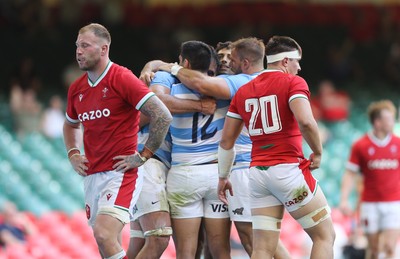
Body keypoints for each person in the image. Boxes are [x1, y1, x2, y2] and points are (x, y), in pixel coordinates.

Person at [154, 37, 290, 258]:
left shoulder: (173, 90)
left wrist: (162, 68)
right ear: (213, 65)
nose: (229, 63)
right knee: (220, 249)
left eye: (233, 58)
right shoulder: (227, 93)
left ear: (185, 64)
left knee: (187, 252)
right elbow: (206, 84)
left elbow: (157, 101)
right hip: (216, 173)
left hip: (184, 174)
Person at [217, 35, 336, 259]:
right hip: (288, 171)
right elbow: (307, 122)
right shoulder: (293, 83)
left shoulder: (243, 91)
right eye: (296, 61)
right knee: (324, 235)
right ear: (284, 61)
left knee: (262, 248)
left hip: (258, 175)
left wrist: (223, 176)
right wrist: (318, 152)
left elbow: (226, 142)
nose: (299, 68)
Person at [63, 23, 172, 259]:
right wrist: (73, 153)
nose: (78, 51)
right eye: (77, 46)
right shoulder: (77, 88)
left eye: (85, 45)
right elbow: (71, 124)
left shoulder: (121, 77)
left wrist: (144, 154)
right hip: (92, 175)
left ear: (103, 49)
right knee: (105, 246)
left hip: (120, 173)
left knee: (104, 234)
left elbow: (162, 114)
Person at [127, 48, 217, 259]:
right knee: (158, 237)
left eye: (212, 73)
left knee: (139, 242)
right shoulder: (166, 78)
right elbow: (155, 105)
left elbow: (157, 63)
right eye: (207, 71)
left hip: (167, 165)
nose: (207, 77)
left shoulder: (207, 87)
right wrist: (200, 106)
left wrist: (152, 63)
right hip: (147, 160)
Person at [340, 99, 400, 259]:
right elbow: (350, 173)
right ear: (377, 122)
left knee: (389, 247)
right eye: (389, 118)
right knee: (373, 249)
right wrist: (344, 199)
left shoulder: (398, 143)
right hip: (370, 204)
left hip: (394, 203)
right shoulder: (361, 145)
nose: (393, 122)